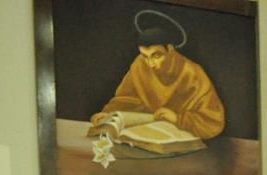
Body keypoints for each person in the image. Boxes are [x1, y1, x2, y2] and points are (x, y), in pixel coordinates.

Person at [90, 9, 225, 141]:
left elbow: (213, 121)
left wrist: (178, 118)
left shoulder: (193, 73)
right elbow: (126, 99)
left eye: (156, 56)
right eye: (145, 56)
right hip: (147, 133)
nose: (150, 64)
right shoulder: (139, 65)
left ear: (170, 50)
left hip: (179, 139)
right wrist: (108, 114)